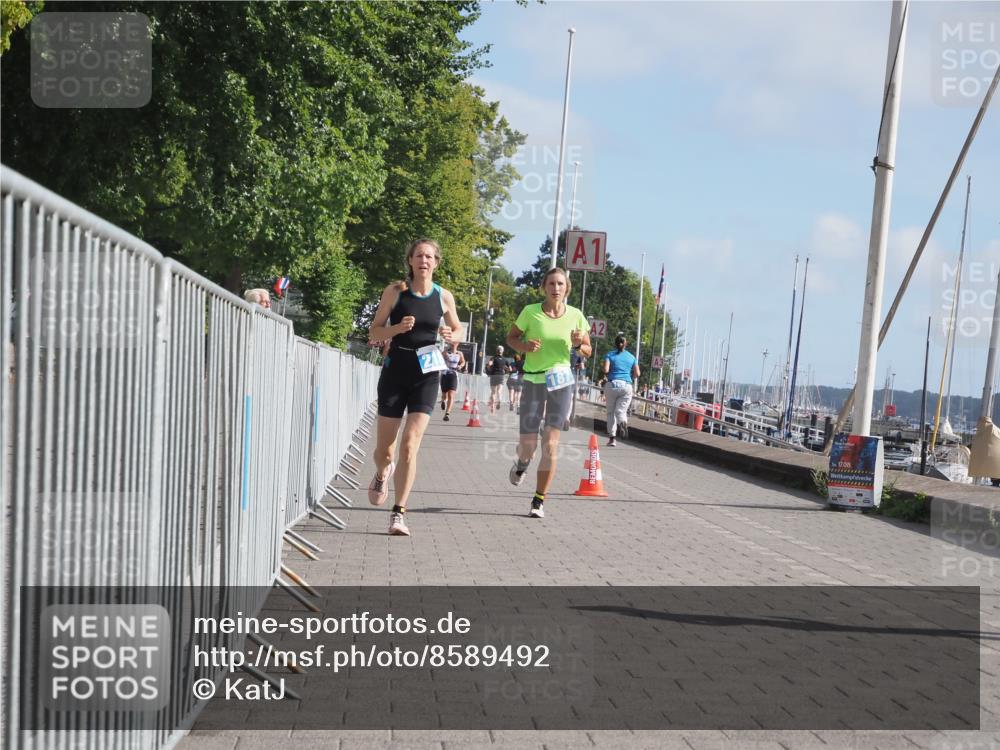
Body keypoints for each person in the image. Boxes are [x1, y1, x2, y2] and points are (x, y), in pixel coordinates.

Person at [367, 239, 463, 536]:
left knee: (410, 445)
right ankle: (383, 471)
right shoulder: (396, 292)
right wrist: (396, 329)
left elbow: (458, 329)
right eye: (419, 255)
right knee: (385, 451)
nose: (424, 260)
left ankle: (399, 513)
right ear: (410, 260)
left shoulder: (443, 296)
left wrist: (451, 333)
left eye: (430, 256)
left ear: (436, 262)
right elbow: (373, 331)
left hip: (427, 374)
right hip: (396, 370)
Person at [506, 267, 591, 519]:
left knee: (551, 444)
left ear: (567, 288)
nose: (556, 288)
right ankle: (522, 464)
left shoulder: (576, 315)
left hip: (561, 381)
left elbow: (587, 349)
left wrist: (579, 345)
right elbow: (511, 338)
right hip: (534, 380)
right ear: (544, 287)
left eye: (561, 284)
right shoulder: (530, 312)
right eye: (552, 284)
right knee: (528, 446)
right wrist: (525, 346)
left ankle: (539, 499)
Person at [603, 335, 640, 447]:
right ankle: (622, 422)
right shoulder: (632, 357)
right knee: (620, 411)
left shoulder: (609, 355)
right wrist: (630, 378)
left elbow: (606, 369)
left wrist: (606, 373)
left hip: (612, 384)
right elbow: (637, 373)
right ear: (626, 343)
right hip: (626, 385)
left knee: (611, 412)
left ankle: (612, 439)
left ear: (615, 343)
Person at [440, 340, 465, 421]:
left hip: (453, 374)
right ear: (450, 344)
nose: (454, 344)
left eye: (455, 343)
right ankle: (443, 400)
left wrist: (460, 366)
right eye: (452, 343)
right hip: (445, 374)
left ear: (457, 344)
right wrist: (444, 358)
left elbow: (463, 361)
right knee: (444, 395)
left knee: (451, 395)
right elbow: (438, 359)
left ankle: (447, 414)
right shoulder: (445, 352)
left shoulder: (459, 353)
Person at [486, 345, 509, 413]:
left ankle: (492, 407)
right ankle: (499, 400)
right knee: (499, 391)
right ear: (502, 351)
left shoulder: (493, 358)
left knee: (493, 392)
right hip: (501, 375)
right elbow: (510, 368)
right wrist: (505, 371)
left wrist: (488, 368)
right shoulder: (505, 359)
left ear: (497, 350)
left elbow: (489, 364)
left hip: (493, 375)